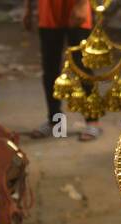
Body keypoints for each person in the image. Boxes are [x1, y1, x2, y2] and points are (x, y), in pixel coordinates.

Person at [25, 0, 101, 141]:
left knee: (82, 65)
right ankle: (54, 120)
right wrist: (28, 9)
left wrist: (81, 4)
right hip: (48, 9)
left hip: (76, 5)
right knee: (50, 67)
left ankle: (92, 120)